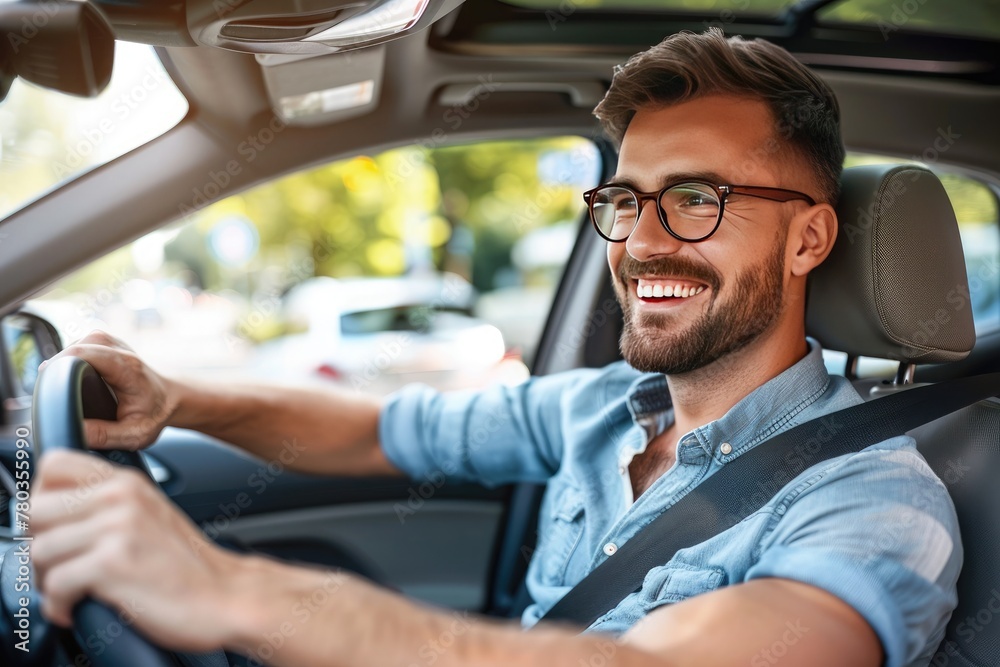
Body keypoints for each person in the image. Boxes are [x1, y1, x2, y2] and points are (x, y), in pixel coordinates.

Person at [29, 29, 959, 667]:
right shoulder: (600, 408)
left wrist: (235, 592)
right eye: (626, 201)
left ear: (809, 241)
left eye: (697, 198)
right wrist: (179, 400)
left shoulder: (875, 496)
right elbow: (384, 432)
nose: (641, 243)